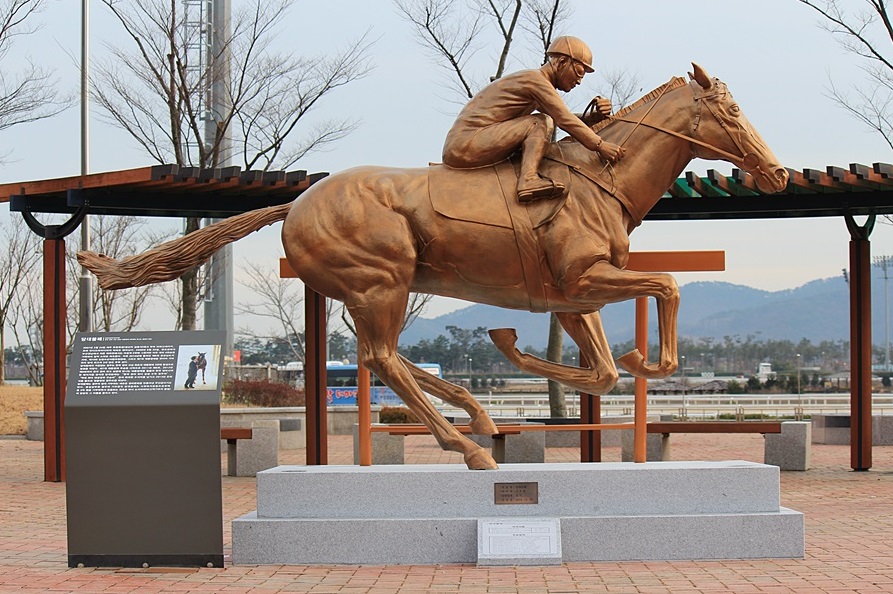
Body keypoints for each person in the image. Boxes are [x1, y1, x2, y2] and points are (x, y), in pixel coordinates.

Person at [442, 35, 626, 202]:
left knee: (544, 120)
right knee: (540, 121)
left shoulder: (535, 83)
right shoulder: (535, 80)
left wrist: (593, 117)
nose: (579, 81)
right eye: (578, 71)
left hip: (471, 141)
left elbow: (564, 117)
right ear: (561, 62)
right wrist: (600, 146)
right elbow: (563, 119)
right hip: (466, 143)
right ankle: (528, 179)